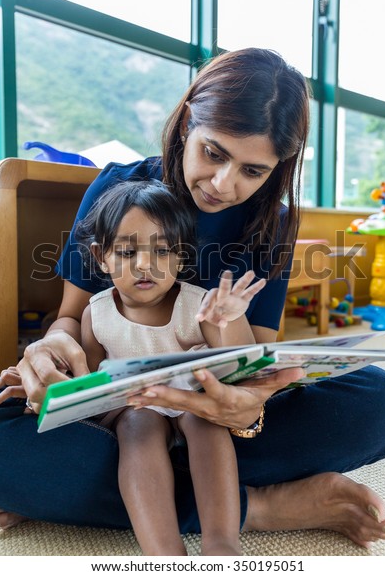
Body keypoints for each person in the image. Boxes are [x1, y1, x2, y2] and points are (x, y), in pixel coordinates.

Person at [0, 48, 385, 549]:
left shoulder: (268, 224)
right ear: (188, 122)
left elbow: (256, 360)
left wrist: (246, 408)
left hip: (215, 424)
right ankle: (266, 506)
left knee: (379, 401)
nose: (224, 185)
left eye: (254, 171)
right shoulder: (119, 188)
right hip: (124, 420)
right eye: (214, 153)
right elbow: (70, 321)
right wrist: (47, 354)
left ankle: (97, 494)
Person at [76, 179, 265, 555]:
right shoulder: (95, 314)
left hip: (194, 406)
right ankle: (165, 554)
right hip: (137, 411)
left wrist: (229, 321)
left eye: (162, 252)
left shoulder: (200, 306)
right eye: (128, 253)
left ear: (181, 257)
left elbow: (246, 365)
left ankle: (221, 545)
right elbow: (90, 382)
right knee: (137, 424)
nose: (145, 264)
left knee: (203, 422)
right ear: (102, 257)